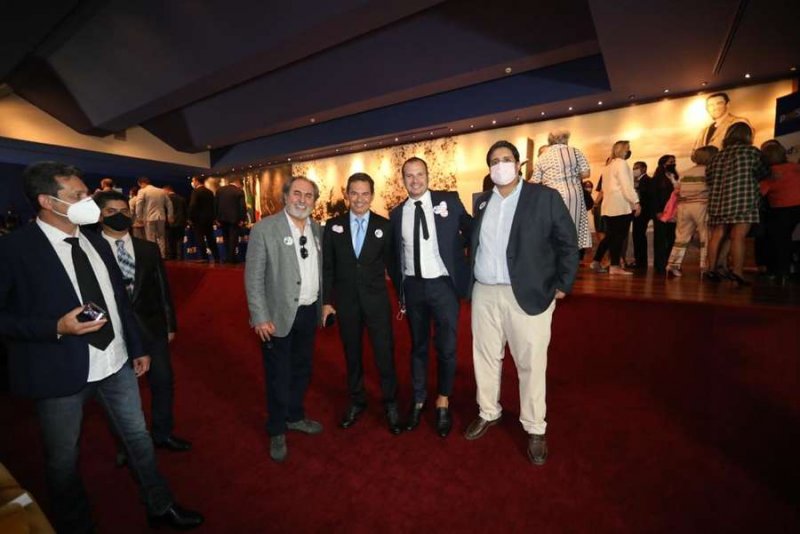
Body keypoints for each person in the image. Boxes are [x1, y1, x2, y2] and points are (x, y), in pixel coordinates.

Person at [0, 162, 203, 532]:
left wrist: (136, 347)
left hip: (116, 362)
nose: (87, 200)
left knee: (138, 438)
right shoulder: (14, 250)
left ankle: (160, 504)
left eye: (86, 193)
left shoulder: (95, 241)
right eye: (77, 195)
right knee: (63, 459)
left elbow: (118, 302)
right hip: (61, 371)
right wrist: (55, 327)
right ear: (47, 201)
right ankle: (75, 524)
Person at [465, 140, 578, 465]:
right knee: (485, 357)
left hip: (527, 293)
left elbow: (567, 242)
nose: (500, 165)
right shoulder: (482, 202)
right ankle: (488, 410)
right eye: (494, 161)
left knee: (530, 362)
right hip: (485, 292)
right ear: (489, 169)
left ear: (518, 164)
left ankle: (535, 426)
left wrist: (563, 283)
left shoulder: (544, 197)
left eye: (506, 159)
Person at [95, 190, 192, 461]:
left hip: (152, 328)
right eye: (111, 212)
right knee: (121, 393)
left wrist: (170, 325)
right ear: (99, 216)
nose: (119, 216)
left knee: (163, 382)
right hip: (113, 332)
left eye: (124, 211)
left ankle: (163, 433)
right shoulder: (90, 250)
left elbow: (162, 288)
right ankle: (126, 445)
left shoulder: (148, 249)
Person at [389, 157, 471, 437]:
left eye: (419, 174)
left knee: (447, 347)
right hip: (413, 287)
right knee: (418, 346)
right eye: (409, 176)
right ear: (403, 180)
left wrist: (463, 262)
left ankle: (443, 400)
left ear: (428, 175)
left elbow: (472, 230)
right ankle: (419, 398)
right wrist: (401, 288)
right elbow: (394, 255)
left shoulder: (449, 200)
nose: (415, 180)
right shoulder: (397, 214)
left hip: (443, 286)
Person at [245, 176, 324, 462]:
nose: (302, 200)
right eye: (297, 194)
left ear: (314, 201)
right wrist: (260, 316)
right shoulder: (265, 229)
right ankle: (277, 428)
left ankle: (295, 416)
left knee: (302, 369)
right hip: (276, 317)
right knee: (278, 375)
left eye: (308, 195)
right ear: (286, 196)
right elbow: (253, 277)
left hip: (308, 312)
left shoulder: (318, 229)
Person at [322, 173, 402, 434]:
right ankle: (357, 400)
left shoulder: (384, 226)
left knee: (384, 354)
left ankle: (390, 403)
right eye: (354, 193)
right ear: (347, 194)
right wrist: (326, 302)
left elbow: (394, 265)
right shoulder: (333, 226)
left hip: (376, 302)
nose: (359, 199)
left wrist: (403, 296)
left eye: (364, 193)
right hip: (346, 303)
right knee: (352, 354)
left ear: (372, 196)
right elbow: (327, 268)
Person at [705, 123, 771, 286]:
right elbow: (764, 173)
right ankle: (737, 273)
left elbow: (709, 179)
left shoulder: (717, 156)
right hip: (743, 199)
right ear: (748, 135)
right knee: (738, 235)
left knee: (717, 234)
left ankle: (711, 269)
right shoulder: (752, 152)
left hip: (718, 200)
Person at [532, 129, 592, 252]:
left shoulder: (543, 156)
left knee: (553, 230)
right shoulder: (575, 152)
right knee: (573, 229)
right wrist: (572, 176)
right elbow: (586, 173)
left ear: (550, 141)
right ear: (566, 139)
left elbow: (535, 180)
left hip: (551, 197)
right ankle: (571, 258)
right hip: (573, 196)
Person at [590, 141, 641, 275]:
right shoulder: (621, 164)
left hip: (609, 206)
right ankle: (614, 266)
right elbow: (626, 186)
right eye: (628, 148)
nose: (629, 151)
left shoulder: (608, 166)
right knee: (618, 237)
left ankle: (596, 261)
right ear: (623, 150)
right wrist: (636, 202)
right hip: (620, 206)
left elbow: (605, 188)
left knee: (610, 236)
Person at [666, 146, 719, 276]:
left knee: (681, 237)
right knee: (706, 236)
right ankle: (704, 267)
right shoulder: (710, 172)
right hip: (702, 205)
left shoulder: (685, 173)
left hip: (684, 206)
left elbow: (677, 191)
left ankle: (673, 265)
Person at [760, 140, 800, 283]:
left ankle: (782, 273)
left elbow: (761, 192)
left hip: (781, 209)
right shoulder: (795, 167)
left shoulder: (770, 174)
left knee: (780, 241)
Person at [650, 155, 679, 274]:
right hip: (661, 212)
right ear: (663, 164)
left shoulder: (675, 177)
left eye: (674, 161)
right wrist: (657, 211)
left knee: (672, 238)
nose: (673, 163)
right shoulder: (657, 179)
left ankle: (670, 263)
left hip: (674, 212)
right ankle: (660, 265)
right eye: (670, 162)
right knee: (660, 239)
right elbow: (654, 196)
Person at [134, 177, 173, 258]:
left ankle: (153, 255)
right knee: (161, 237)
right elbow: (169, 204)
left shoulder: (142, 191)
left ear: (141, 183)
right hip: (161, 217)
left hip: (149, 217)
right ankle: (162, 255)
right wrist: (170, 216)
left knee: (150, 237)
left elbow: (139, 205)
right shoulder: (161, 191)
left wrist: (139, 217)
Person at [215, 177, 247, 263]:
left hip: (222, 219)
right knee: (233, 239)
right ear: (239, 183)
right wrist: (242, 219)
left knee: (226, 239)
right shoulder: (239, 191)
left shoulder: (220, 190)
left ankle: (228, 257)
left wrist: (216, 218)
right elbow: (242, 206)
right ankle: (232, 258)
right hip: (234, 220)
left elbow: (215, 205)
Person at [188, 176, 219, 263]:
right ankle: (216, 256)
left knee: (200, 238)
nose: (193, 183)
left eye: (193, 181)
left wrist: (190, 217)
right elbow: (213, 206)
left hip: (198, 219)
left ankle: (204, 257)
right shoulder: (209, 192)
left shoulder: (196, 191)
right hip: (209, 219)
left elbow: (192, 205)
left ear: (197, 181)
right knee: (210, 238)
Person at [631, 161, 653, 270]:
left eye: (637, 168)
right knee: (637, 236)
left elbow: (643, 197)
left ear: (644, 168)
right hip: (639, 211)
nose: (634, 170)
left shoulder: (646, 180)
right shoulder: (638, 180)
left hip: (642, 212)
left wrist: (639, 207)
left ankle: (640, 261)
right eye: (634, 168)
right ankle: (639, 260)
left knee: (639, 236)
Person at [163, 184, 188, 260]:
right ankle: (180, 256)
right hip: (181, 222)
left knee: (170, 241)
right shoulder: (182, 198)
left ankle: (171, 256)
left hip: (169, 223)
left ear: (167, 190)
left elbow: (165, 211)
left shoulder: (166, 199)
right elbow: (185, 211)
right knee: (180, 240)